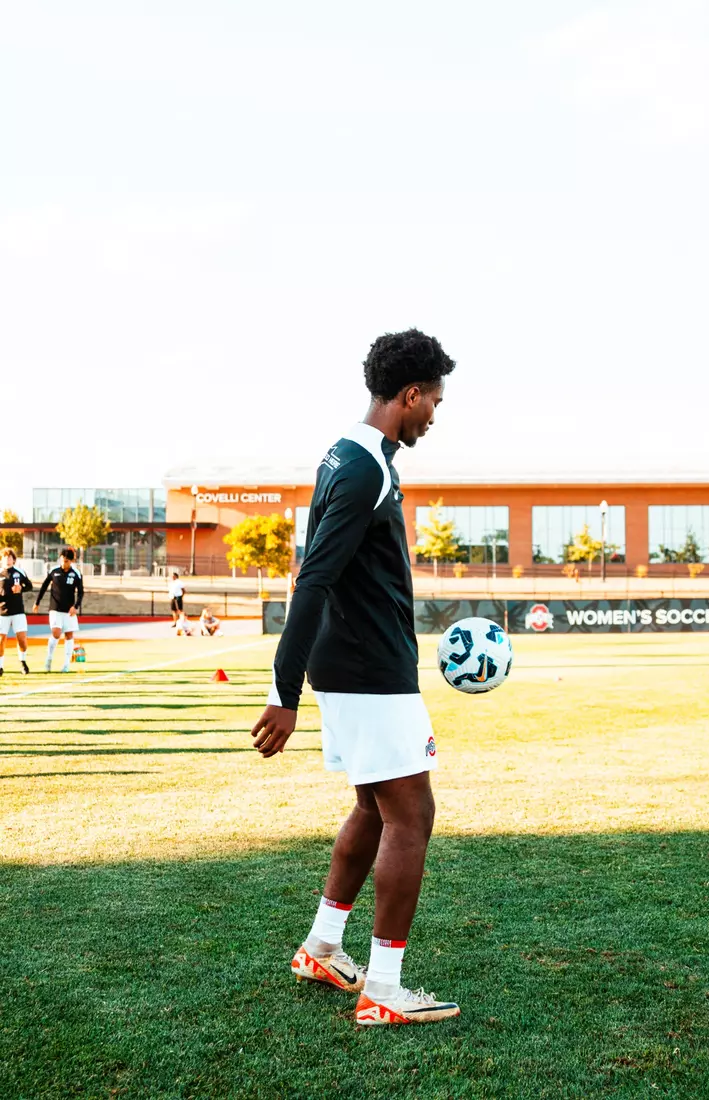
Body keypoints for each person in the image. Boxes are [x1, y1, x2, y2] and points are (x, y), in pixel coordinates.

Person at [250, 329, 458, 1027]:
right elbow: (312, 579)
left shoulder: (346, 452)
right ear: (408, 395)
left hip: (357, 665)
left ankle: (321, 947)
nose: (434, 411)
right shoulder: (365, 464)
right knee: (413, 816)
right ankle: (384, 990)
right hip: (370, 671)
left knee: (375, 809)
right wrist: (283, 693)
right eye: (432, 399)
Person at [33, 548, 84, 673]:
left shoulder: (76, 573)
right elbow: (44, 587)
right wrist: (37, 602)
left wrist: (75, 606)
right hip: (55, 609)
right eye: (62, 560)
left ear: (71, 561)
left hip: (69, 611)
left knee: (69, 635)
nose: (64, 563)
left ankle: (66, 665)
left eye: (66, 561)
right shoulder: (54, 571)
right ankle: (48, 660)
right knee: (56, 634)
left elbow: (81, 592)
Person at [0, 547, 33, 675]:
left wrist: (21, 589)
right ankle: (0, 666)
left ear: (14, 560)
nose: (7, 560)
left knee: (22, 640)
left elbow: (29, 586)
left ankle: (22, 661)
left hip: (18, 611)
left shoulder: (19, 572)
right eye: (5, 557)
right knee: (1, 640)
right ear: (1, 559)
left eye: (10, 558)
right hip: (2, 612)